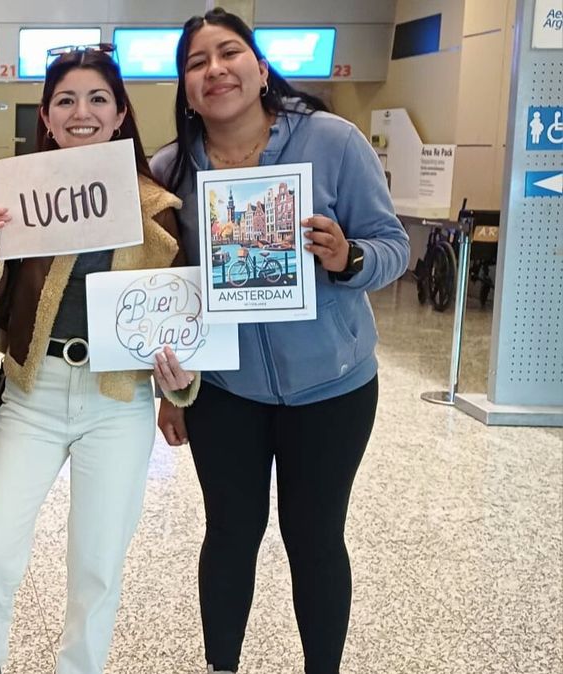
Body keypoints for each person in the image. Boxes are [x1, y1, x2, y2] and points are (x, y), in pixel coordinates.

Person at [150, 9, 410, 674]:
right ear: (185, 89)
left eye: (229, 53)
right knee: (230, 535)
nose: (215, 70)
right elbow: (165, 289)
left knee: (315, 538)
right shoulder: (169, 172)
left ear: (261, 69)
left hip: (333, 386)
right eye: (197, 62)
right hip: (224, 391)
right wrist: (171, 390)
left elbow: (393, 245)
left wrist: (348, 258)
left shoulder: (332, 140)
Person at [0, 46, 195, 674]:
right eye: (65, 100)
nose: (81, 112)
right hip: (30, 393)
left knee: (97, 568)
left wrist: (181, 380)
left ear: (119, 114)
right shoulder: (22, 198)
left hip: (117, 402)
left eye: (97, 99)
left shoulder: (157, 208)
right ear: (46, 116)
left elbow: (180, 315)